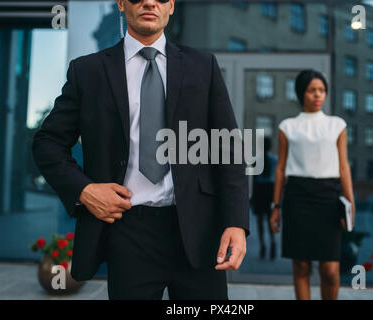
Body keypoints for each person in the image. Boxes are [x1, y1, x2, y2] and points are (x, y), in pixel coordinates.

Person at [32, 0, 249, 300]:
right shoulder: (88, 71)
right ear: (122, 4)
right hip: (127, 232)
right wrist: (85, 190)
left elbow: (228, 149)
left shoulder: (202, 66)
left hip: (198, 231)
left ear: (171, 6)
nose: (149, 2)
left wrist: (236, 222)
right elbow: (47, 143)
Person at [269, 69, 355, 300]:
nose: (318, 95)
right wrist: (275, 207)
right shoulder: (287, 126)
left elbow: (344, 166)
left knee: (331, 271)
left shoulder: (337, 125)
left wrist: (351, 202)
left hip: (328, 197)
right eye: (312, 90)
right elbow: (280, 169)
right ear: (301, 93)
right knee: (302, 267)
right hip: (297, 198)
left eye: (322, 90)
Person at [250, 137, 278, 260]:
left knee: (261, 220)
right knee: (268, 219)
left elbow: (254, 180)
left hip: (262, 190)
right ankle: (271, 243)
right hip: (269, 190)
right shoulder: (274, 160)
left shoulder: (256, 160)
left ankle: (264, 244)